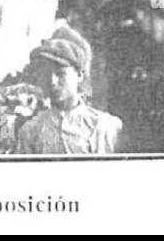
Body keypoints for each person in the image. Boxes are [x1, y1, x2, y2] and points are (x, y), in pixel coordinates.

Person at [15, 24, 123, 154]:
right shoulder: (31, 131)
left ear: (79, 75)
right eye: (47, 73)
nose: (52, 82)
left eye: (61, 74)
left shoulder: (103, 126)